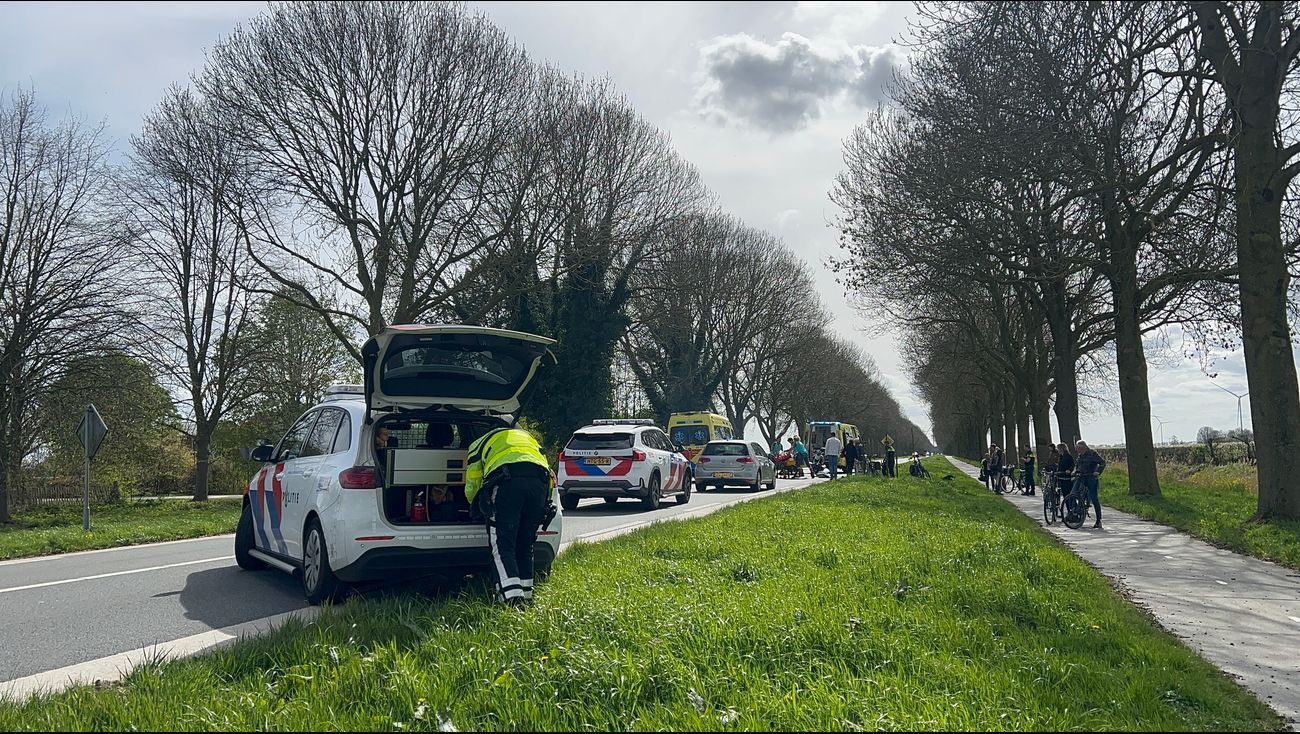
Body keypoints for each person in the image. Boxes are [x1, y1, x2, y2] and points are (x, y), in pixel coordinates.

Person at [464, 426, 556, 606]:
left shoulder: (478, 444)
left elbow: (473, 484)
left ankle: (511, 602)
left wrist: (476, 506)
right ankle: (526, 598)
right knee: (525, 544)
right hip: (539, 486)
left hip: (508, 483)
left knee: (502, 545)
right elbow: (548, 473)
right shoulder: (527, 438)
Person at [1073, 440, 1106, 529]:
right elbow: (1077, 466)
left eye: (1079, 448)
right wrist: (1074, 472)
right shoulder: (1080, 456)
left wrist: (1097, 472)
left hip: (1091, 478)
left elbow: (1102, 462)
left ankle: (1098, 520)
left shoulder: (1092, 454)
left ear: (1084, 447)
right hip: (1081, 477)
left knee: (1094, 499)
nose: (1077, 450)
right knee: (1073, 494)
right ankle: (1075, 514)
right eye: (1077, 448)